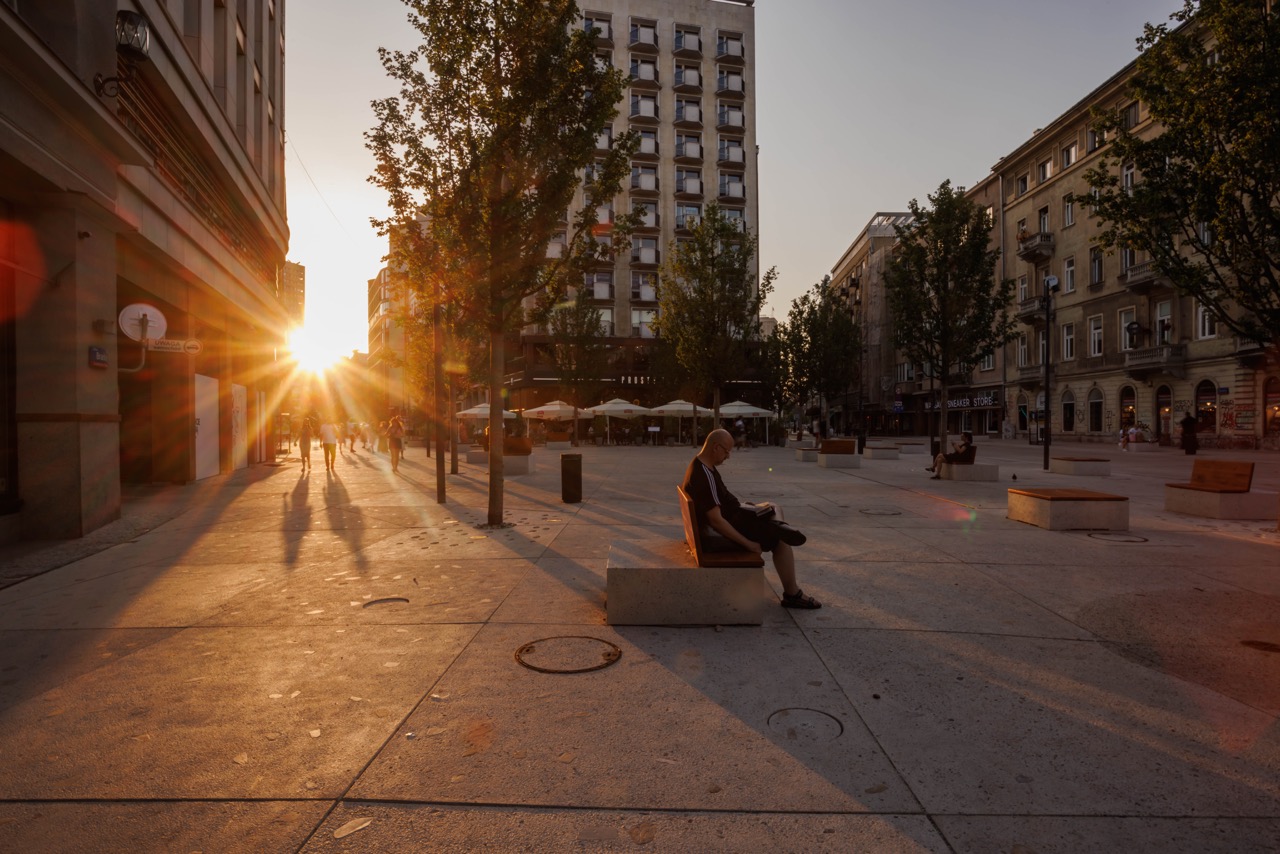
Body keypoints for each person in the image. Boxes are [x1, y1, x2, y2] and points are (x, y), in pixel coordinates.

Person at [682, 429, 821, 610]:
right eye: (727, 451)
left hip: (734, 515)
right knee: (780, 539)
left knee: (773, 507)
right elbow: (716, 520)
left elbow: (719, 503)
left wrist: (745, 506)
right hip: (727, 528)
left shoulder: (701, 466)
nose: (728, 456)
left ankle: (777, 525)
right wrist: (749, 544)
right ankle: (792, 594)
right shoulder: (704, 475)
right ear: (716, 448)